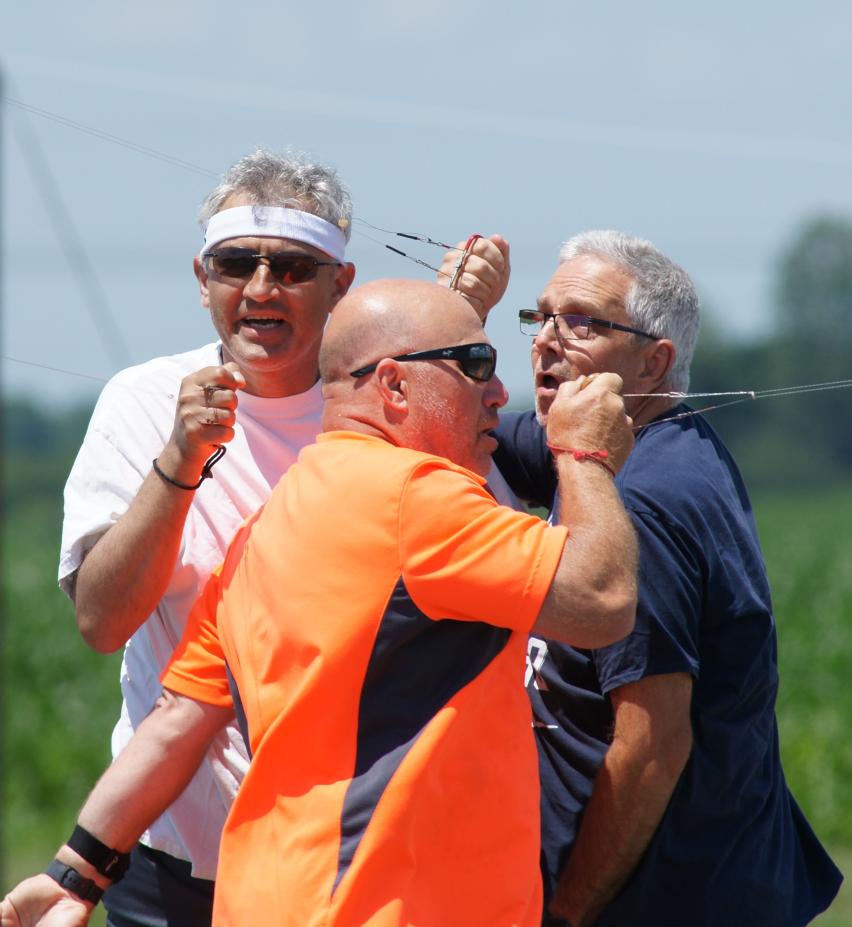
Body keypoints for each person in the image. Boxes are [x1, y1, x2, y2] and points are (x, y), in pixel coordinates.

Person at [3, 279, 638, 927]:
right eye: (475, 365)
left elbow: (174, 721)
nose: (501, 393)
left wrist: (73, 873)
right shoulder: (415, 496)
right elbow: (602, 598)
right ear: (392, 385)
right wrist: (584, 454)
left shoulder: (265, 527)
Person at [447, 230, 842, 926]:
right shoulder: (611, 444)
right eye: (539, 317)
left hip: (668, 896)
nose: (546, 340)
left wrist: (568, 911)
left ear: (654, 362)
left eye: (583, 323)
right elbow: (454, 427)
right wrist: (453, 316)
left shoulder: (640, 497)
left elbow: (653, 745)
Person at [57, 147, 359, 926]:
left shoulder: (375, 407)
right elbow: (102, 620)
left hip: (340, 851)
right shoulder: (142, 401)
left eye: (292, 267)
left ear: (341, 287)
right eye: (236, 264)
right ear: (203, 281)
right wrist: (179, 461)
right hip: (170, 853)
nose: (261, 289)